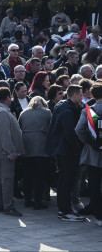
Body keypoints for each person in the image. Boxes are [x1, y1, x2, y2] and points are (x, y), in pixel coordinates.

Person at [45, 84, 86, 222]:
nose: (82, 98)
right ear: (74, 95)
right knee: (67, 180)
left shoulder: (62, 107)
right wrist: (77, 151)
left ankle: (63, 209)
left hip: (61, 150)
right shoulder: (68, 111)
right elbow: (70, 134)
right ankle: (65, 211)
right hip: (67, 151)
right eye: (80, 95)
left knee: (63, 180)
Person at [0, 87, 24, 217]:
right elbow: (4, 134)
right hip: (4, 154)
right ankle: (8, 207)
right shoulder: (2, 112)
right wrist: (11, 151)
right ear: (8, 98)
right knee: (7, 180)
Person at [75, 82, 102, 226]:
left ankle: (99, 216)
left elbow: (79, 130)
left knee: (94, 184)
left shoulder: (88, 110)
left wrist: (89, 142)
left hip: (93, 154)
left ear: (92, 95)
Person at [19, 96, 52, 209]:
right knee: (40, 176)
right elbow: (51, 127)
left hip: (27, 147)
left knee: (28, 176)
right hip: (42, 148)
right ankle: (38, 201)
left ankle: (27, 200)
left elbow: (20, 127)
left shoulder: (23, 113)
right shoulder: (47, 113)